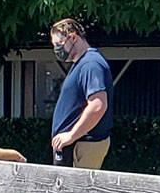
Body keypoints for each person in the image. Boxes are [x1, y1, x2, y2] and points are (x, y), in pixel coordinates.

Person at [48, 19, 113, 169]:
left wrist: (71, 135)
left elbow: (98, 105)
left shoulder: (91, 64)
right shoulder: (83, 63)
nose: (57, 49)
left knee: (77, 185)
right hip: (75, 145)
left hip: (82, 144)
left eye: (59, 43)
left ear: (73, 37)